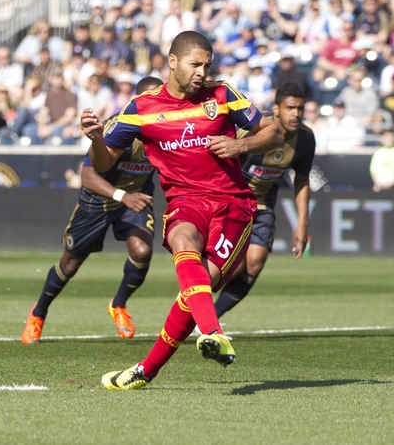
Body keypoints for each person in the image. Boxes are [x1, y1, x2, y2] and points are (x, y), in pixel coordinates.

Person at [82, 31, 283, 390]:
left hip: (233, 205)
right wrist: (97, 139)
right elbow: (103, 162)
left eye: (207, 65)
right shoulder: (141, 108)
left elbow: (274, 132)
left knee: (195, 291)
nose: (202, 72)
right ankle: (213, 332)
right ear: (172, 62)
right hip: (185, 201)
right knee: (181, 238)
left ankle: (146, 370)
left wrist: (241, 144)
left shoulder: (223, 95)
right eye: (195, 64)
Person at [21, 77, 163, 345]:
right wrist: (123, 195)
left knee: (142, 251)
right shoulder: (120, 127)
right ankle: (38, 313)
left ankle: (118, 305)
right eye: (150, 99)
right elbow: (87, 175)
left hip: (134, 200)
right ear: (137, 101)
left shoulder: (169, 127)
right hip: (97, 201)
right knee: (70, 264)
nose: (157, 105)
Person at [211, 82, 314, 319]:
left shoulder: (306, 140)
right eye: (290, 108)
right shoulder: (254, 131)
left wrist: (302, 224)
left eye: (300, 108)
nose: (296, 114)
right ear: (276, 109)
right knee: (233, 266)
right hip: (232, 203)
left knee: (255, 263)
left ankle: (210, 319)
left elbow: (302, 181)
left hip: (263, 206)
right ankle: (193, 310)